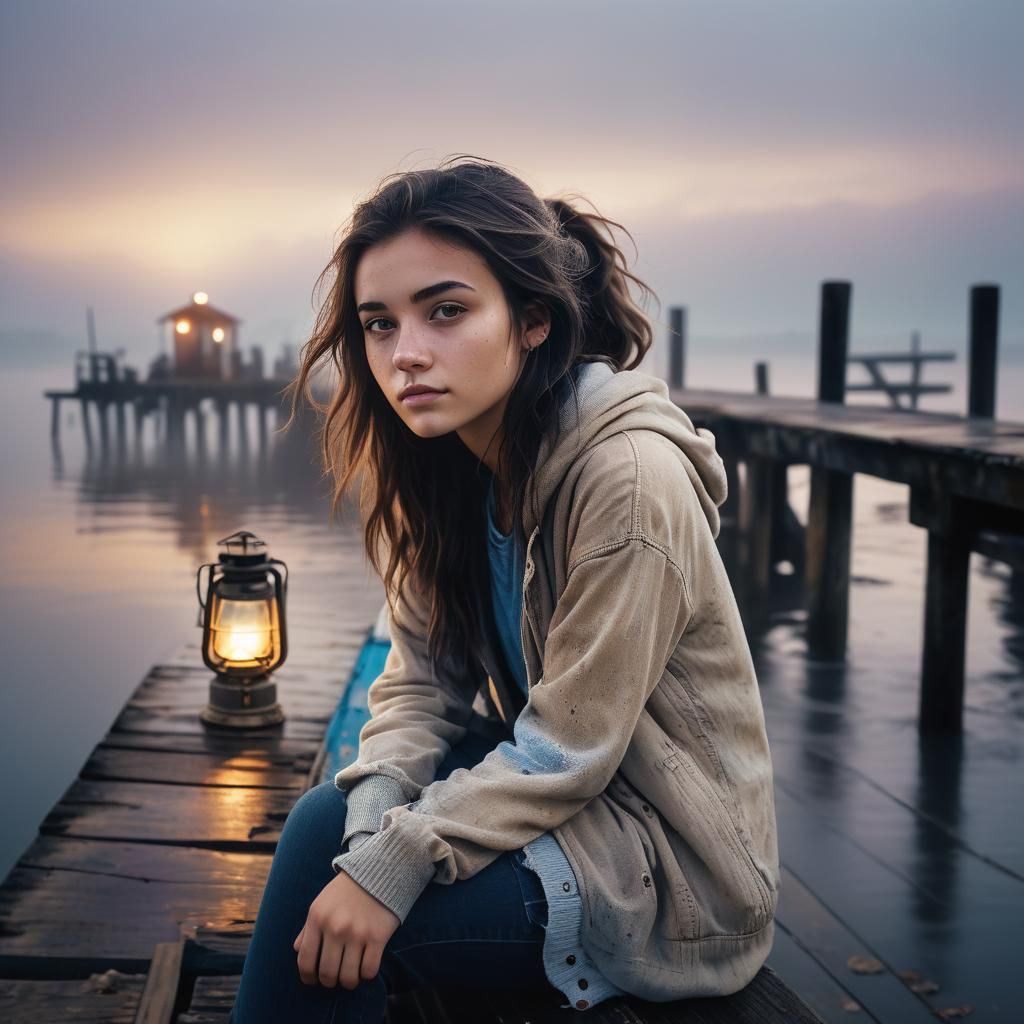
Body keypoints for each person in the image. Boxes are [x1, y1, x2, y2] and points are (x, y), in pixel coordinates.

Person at [229, 155, 779, 1022]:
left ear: (530, 320)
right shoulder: (443, 464)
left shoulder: (628, 483)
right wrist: (375, 827)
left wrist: (394, 865)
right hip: (565, 811)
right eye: (379, 324)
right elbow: (416, 683)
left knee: (347, 921)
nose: (406, 353)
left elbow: (569, 751)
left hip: (669, 868)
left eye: (446, 311)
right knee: (317, 831)